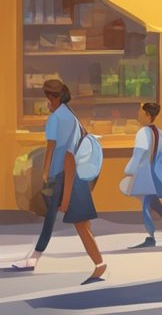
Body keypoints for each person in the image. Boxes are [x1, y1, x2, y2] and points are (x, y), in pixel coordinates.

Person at [11, 80, 106, 283]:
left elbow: (58, 152)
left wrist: (51, 178)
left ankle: (98, 263)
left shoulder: (56, 119)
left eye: (47, 98)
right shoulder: (71, 116)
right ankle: (36, 258)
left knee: (76, 222)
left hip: (64, 177)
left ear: (53, 98)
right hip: (70, 176)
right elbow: (55, 148)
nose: (46, 102)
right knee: (70, 221)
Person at [126, 102, 162, 248]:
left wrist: (129, 170)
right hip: (155, 172)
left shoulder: (143, 133)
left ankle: (151, 238)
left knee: (146, 205)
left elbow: (138, 154)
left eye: (140, 111)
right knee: (155, 204)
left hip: (146, 174)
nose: (138, 113)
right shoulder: (159, 132)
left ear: (148, 115)